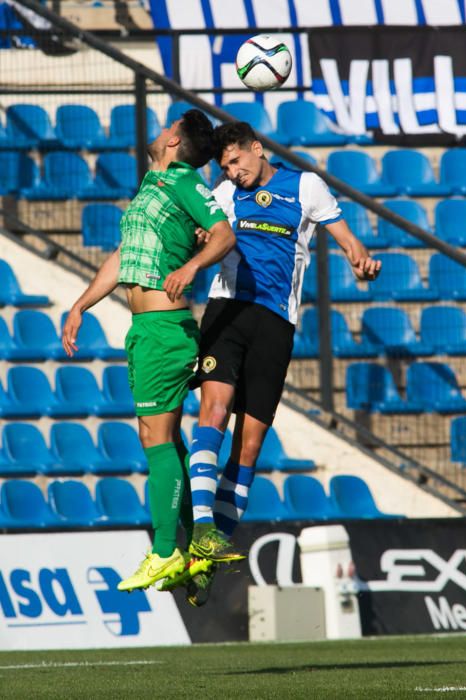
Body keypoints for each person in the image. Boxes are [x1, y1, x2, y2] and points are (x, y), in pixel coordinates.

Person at [160, 121, 382, 606]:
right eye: (225, 166)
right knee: (213, 412)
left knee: (250, 445)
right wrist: (199, 239)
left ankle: (204, 565)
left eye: (236, 161)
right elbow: (209, 236)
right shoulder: (221, 192)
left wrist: (360, 260)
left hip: (276, 323)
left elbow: (349, 242)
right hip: (228, 309)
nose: (232, 172)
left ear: (256, 150)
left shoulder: (305, 186)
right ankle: (202, 531)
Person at [61, 109, 236, 593]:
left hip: (165, 329)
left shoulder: (183, 180)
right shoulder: (150, 186)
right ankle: (199, 543)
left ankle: (164, 552)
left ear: (175, 140)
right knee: (162, 440)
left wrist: (193, 266)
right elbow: (121, 258)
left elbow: (223, 232)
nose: (158, 133)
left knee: (155, 439)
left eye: (165, 128)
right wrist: (81, 306)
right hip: (145, 329)